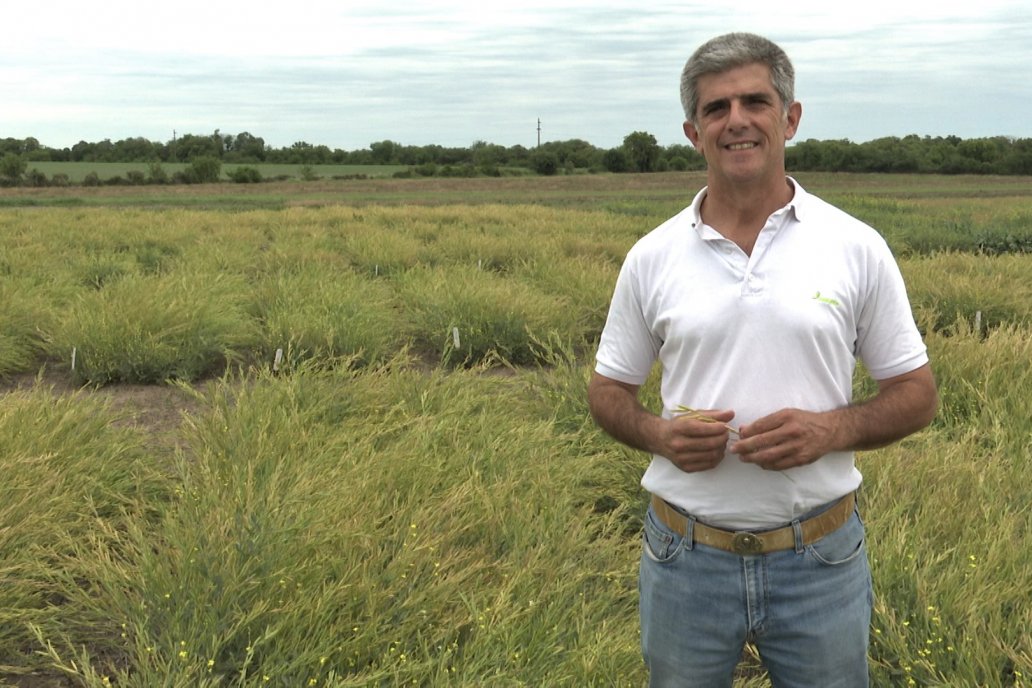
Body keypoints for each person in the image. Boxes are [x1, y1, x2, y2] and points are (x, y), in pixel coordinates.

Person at [587, 32, 938, 687]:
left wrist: (832, 429)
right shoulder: (652, 256)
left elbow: (916, 391)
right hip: (684, 556)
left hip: (820, 558)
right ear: (694, 132)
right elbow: (608, 391)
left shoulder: (855, 246)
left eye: (755, 101)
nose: (737, 120)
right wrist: (659, 435)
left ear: (790, 117)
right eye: (716, 108)